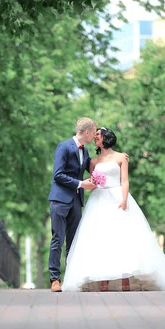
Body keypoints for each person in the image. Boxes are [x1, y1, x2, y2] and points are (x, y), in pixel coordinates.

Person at [61, 127, 165, 292]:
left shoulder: (121, 157)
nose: (95, 137)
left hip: (117, 197)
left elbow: (124, 181)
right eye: (95, 134)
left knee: (123, 238)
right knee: (101, 240)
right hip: (98, 200)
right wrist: (91, 182)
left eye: (98, 134)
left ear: (106, 137)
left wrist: (124, 199)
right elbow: (92, 180)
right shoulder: (93, 161)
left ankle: (126, 279)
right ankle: (103, 280)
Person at [47, 117, 98, 293]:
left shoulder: (86, 150)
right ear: (86, 132)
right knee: (57, 239)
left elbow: (92, 169)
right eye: (93, 132)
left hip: (76, 202)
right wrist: (81, 184)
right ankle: (54, 279)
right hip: (60, 200)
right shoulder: (64, 147)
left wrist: (113, 159)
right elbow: (58, 175)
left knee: (73, 242)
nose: (94, 136)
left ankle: (70, 278)